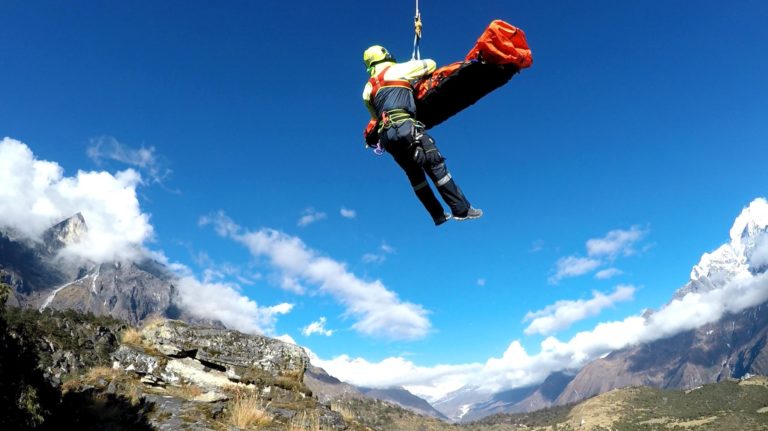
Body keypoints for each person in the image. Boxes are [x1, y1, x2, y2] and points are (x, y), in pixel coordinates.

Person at [362, 45, 482, 226]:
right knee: (434, 163)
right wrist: (412, 67)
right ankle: (462, 210)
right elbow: (431, 64)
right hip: (406, 127)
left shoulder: (367, 89)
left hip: (387, 137)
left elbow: (374, 116)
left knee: (415, 175)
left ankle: (438, 215)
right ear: (385, 55)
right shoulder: (398, 69)